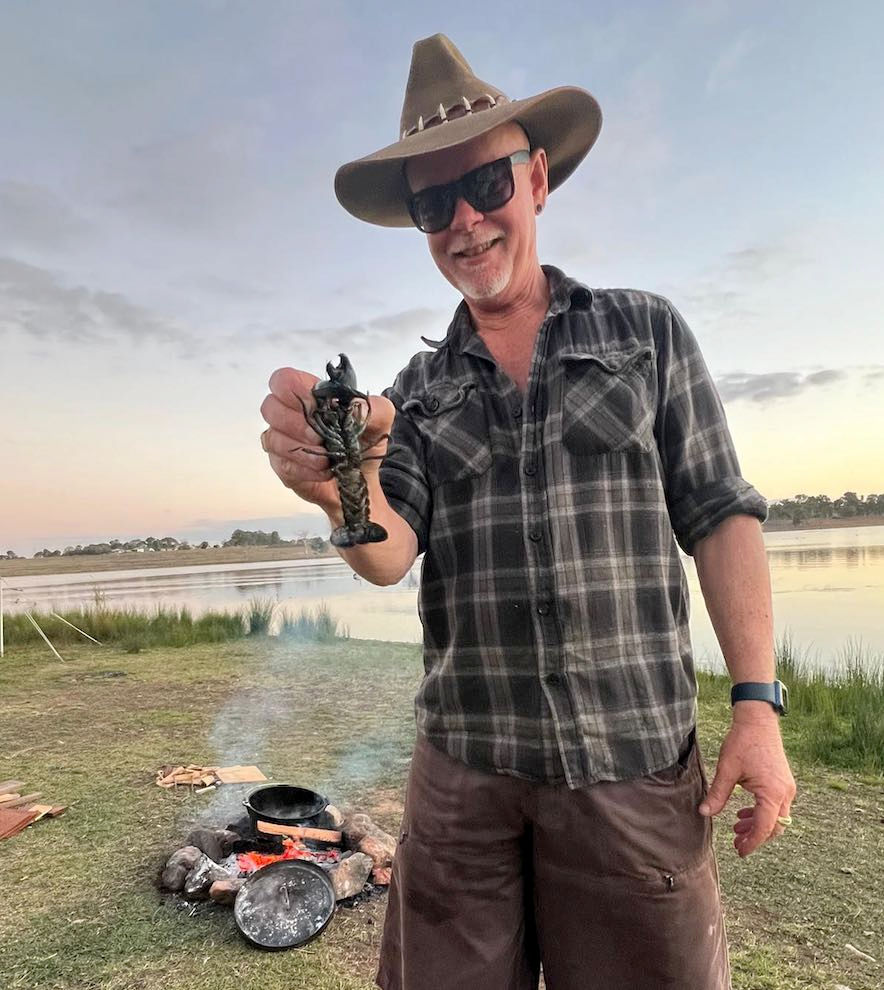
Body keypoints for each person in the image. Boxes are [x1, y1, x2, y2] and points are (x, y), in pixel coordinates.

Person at [260, 33, 796, 990]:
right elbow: (388, 554)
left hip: (630, 760)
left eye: (487, 186)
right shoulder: (414, 394)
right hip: (465, 771)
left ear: (538, 180)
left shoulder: (646, 332)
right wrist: (338, 480)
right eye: (433, 204)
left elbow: (720, 514)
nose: (464, 221)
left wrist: (756, 706)